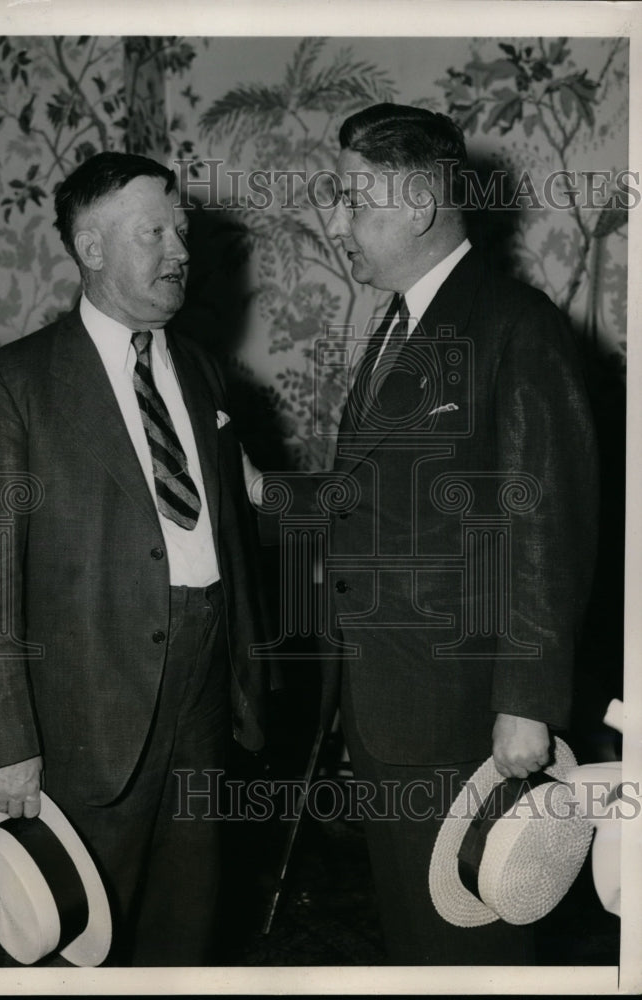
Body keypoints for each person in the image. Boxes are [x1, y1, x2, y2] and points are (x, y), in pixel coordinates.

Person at [244, 103, 599, 963]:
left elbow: (545, 521)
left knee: (464, 938)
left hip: (464, 706)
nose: (337, 220)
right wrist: (262, 490)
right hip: (383, 696)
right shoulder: (396, 325)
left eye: (351, 198)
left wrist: (526, 703)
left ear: (415, 205)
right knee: (414, 923)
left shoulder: (514, 326)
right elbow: (378, 497)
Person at [0, 151, 267, 966]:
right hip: (85, 706)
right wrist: (6, 743)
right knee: (80, 931)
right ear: (91, 249)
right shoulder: (17, 383)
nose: (179, 251)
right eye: (153, 232)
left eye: (182, 231)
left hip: (204, 684)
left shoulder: (198, 370)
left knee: (186, 918)